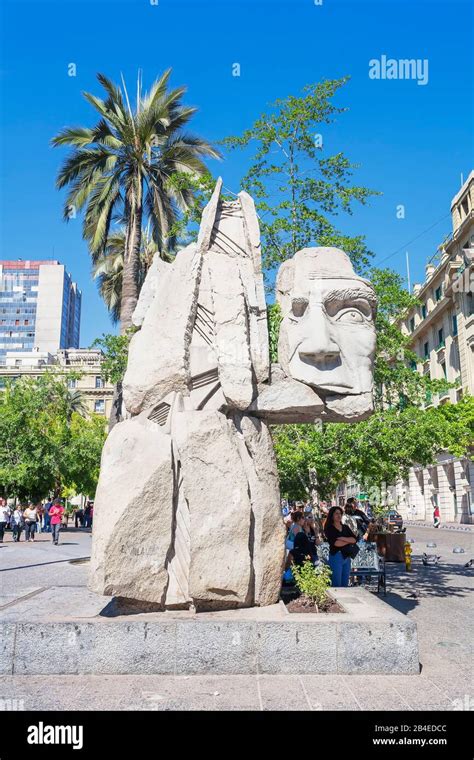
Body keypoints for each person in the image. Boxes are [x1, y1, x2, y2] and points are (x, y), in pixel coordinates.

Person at [324, 506, 358, 587]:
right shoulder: (329, 528)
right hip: (336, 556)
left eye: (340, 513)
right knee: (337, 584)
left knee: (345, 583)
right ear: (332, 515)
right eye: (336, 514)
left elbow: (354, 539)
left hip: (346, 557)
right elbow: (336, 543)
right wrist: (348, 540)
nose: (339, 515)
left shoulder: (345, 527)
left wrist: (343, 538)